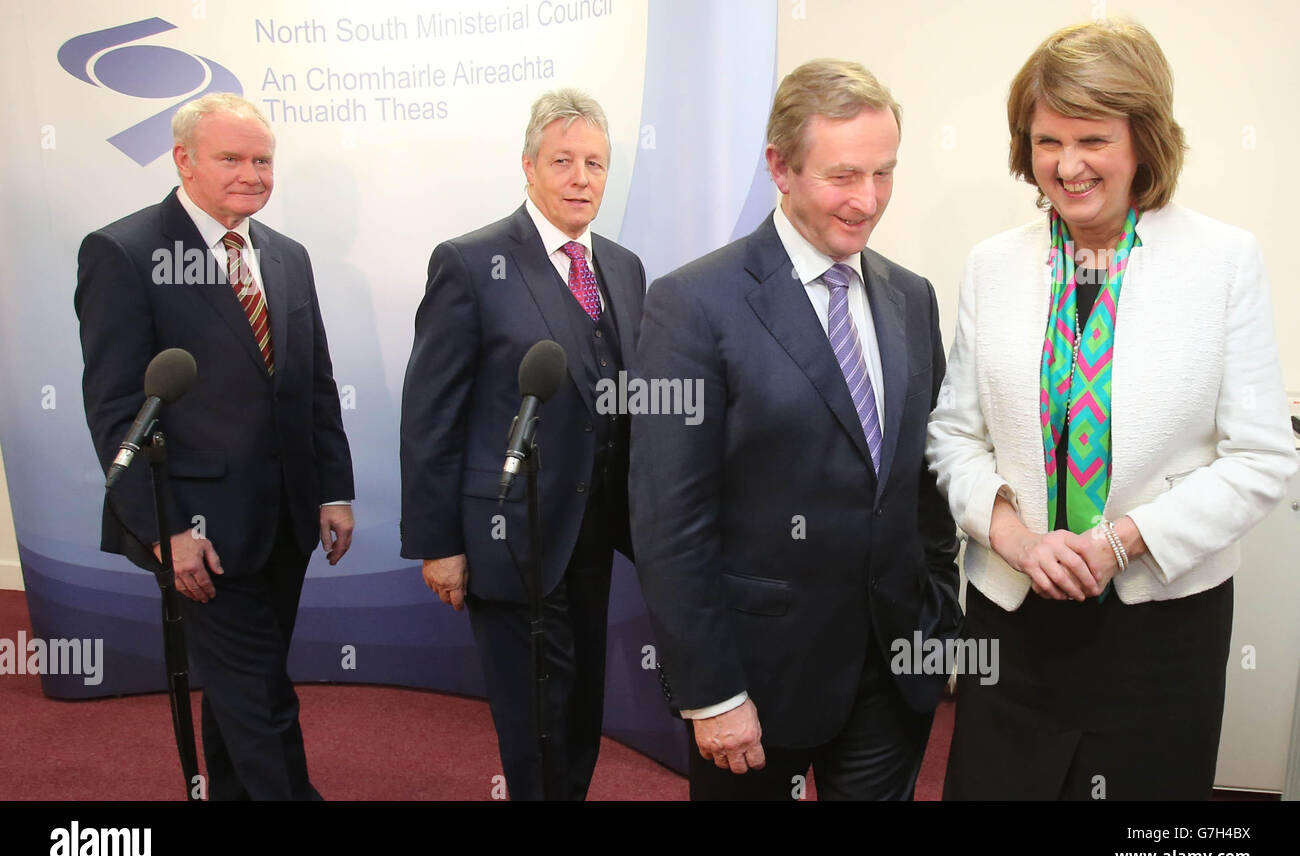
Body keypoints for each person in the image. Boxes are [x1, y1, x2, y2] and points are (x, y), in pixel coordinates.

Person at [926, 20, 1298, 800]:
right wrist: (1017, 538)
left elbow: (1263, 457)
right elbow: (954, 437)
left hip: (1158, 626)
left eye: (1093, 138)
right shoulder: (995, 265)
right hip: (1013, 615)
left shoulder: (1223, 263)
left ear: (1144, 143)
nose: (1067, 165)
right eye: (1046, 140)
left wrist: (1121, 542)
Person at [630, 59, 961, 800]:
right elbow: (667, 520)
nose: (868, 199)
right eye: (843, 175)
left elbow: (925, 484)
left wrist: (937, 618)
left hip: (893, 676)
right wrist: (711, 693)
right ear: (779, 167)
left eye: (884, 173)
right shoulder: (691, 304)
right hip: (756, 683)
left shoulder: (912, 297)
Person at [76, 93, 356, 800]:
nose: (252, 173)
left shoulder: (287, 257)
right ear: (184, 160)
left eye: (262, 159)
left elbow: (314, 383)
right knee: (260, 693)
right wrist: (165, 530)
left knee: (243, 687)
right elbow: (117, 411)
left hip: (286, 520)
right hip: (196, 529)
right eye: (231, 157)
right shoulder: (124, 251)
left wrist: (332, 487)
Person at [399, 89, 646, 801]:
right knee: (533, 720)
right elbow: (430, 414)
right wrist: (439, 542)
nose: (581, 178)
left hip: (598, 538)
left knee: (580, 713)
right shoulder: (471, 262)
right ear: (529, 167)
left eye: (595, 163)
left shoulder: (623, 267)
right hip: (509, 536)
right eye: (563, 161)